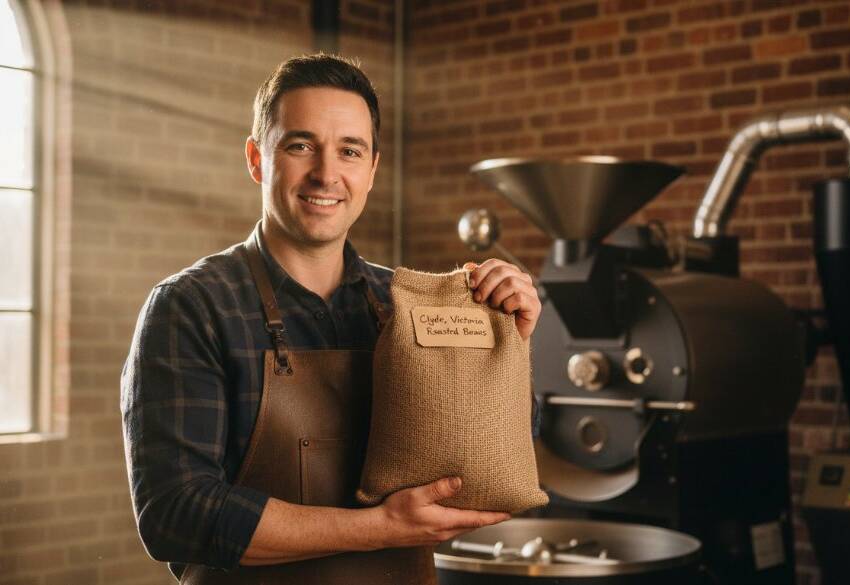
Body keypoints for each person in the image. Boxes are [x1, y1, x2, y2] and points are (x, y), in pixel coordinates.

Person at [121, 54, 542, 584]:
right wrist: (382, 528)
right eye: (300, 145)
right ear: (257, 159)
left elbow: (485, 462)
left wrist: (508, 349)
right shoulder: (193, 307)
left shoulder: (408, 303)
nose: (326, 173)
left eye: (349, 150)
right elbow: (176, 514)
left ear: (371, 170)